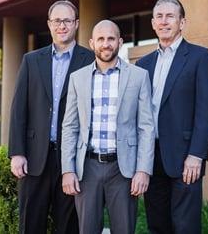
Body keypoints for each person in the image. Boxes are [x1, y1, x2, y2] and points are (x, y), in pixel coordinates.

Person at [8, 0, 95, 233]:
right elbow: (19, 109)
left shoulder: (90, 60)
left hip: (72, 160)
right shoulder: (31, 60)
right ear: (49, 24)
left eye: (67, 21)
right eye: (57, 21)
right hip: (35, 159)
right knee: (30, 225)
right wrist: (17, 152)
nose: (62, 26)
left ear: (76, 24)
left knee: (68, 226)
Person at [61, 20, 155, 234]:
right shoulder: (77, 78)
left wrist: (143, 170)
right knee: (87, 230)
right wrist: (67, 169)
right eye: (101, 39)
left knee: (124, 229)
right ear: (92, 43)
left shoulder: (139, 76)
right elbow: (69, 127)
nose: (106, 44)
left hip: (123, 170)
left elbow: (146, 127)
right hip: (88, 168)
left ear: (120, 42)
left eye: (111, 38)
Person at [136, 0, 208, 234]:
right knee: (157, 224)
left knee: (185, 226)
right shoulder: (143, 64)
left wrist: (196, 154)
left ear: (182, 23)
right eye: (159, 17)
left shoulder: (200, 57)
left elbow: (206, 111)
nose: (164, 21)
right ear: (153, 24)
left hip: (185, 158)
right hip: (152, 157)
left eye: (170, 16)